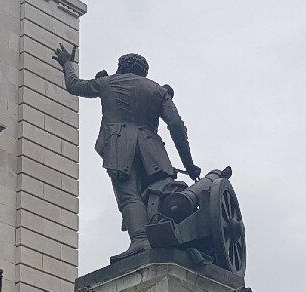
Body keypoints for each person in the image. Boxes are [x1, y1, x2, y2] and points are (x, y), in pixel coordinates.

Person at [52, 44, 199, 256]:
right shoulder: (158, 90)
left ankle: (140, 240)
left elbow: (74, 85)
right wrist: (189, 165)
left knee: (129, 195)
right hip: (153, 150)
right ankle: (165, 233)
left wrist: (67, 63)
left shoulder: (108, 82)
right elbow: (176, 125)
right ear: (144, 72)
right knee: (159, 193)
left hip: (119, 146)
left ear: (121, 68)